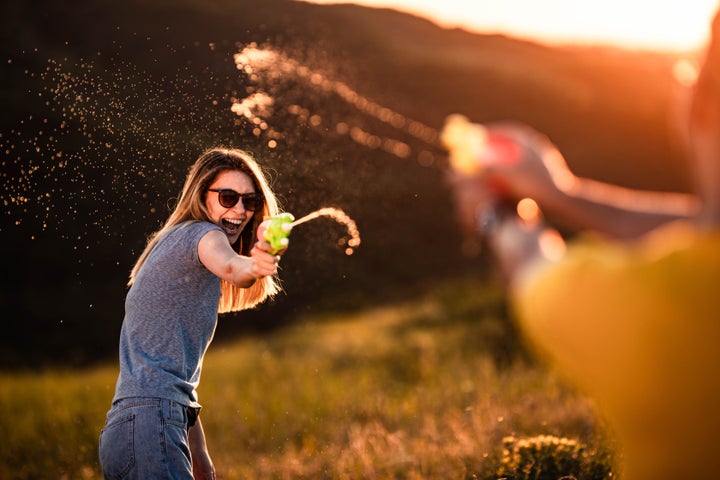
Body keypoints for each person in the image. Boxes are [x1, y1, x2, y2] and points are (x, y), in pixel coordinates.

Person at [448, 9, 720, 480]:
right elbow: (705, 226)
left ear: (707, 108)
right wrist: (562, 194)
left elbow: (531, 262)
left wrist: (491, 211)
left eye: (693, 75)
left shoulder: (648, 305)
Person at [98, 148, 287, 480]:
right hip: (150, 426)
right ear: (203, 196)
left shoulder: (173, 242)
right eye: (228, 197)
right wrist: (255, 265)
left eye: (250, 201)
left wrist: (199, 456)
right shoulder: (204, 234)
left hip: (131, 429)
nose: (240, 210)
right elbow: (232, 265)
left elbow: (169, 376)